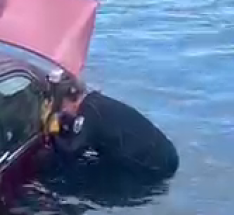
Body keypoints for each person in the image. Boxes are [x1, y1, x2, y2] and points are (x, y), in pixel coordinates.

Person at [45, 74, 180, 183]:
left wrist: (52, 131)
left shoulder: (89, 115)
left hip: (154, 166)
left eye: (61, 107)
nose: (62, 112)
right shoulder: (95, 102)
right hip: (166, 152)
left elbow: (70, 151)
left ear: (67, 100)